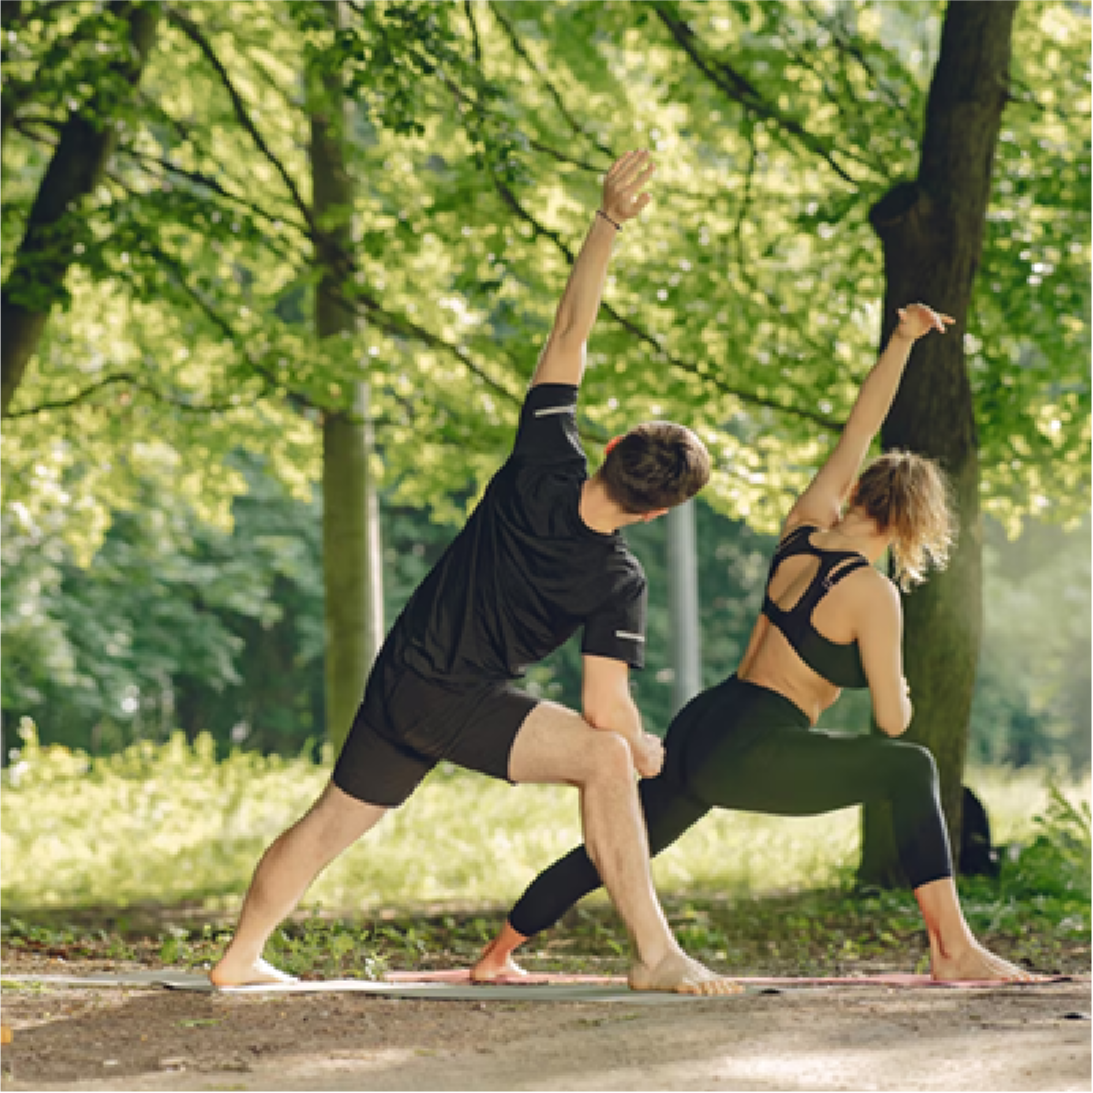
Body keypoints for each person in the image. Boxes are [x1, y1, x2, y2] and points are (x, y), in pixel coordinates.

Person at [211, 151, 740, 996]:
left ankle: (238, 957)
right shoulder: (617, 579)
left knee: (331, 821)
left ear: (609, 450)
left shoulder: (541, 457)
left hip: (402, 674)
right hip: (456, 700)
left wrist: (605, 219)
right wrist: (641, 744)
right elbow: (604, 709)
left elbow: (569, 330)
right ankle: (654, 954)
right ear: (655, 512)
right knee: (606, 758)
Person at [473, 303, 1032, 985]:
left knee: (621, 843)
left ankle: (497, 951)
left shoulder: (805, 525)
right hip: (756, 744)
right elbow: (890, 721)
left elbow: (861, 423)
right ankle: (951, 948)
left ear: (856, 492)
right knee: (908, 764)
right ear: (915, 525)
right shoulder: (873, 594)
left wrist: (902, 340)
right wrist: (902, 683)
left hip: (709, 719)